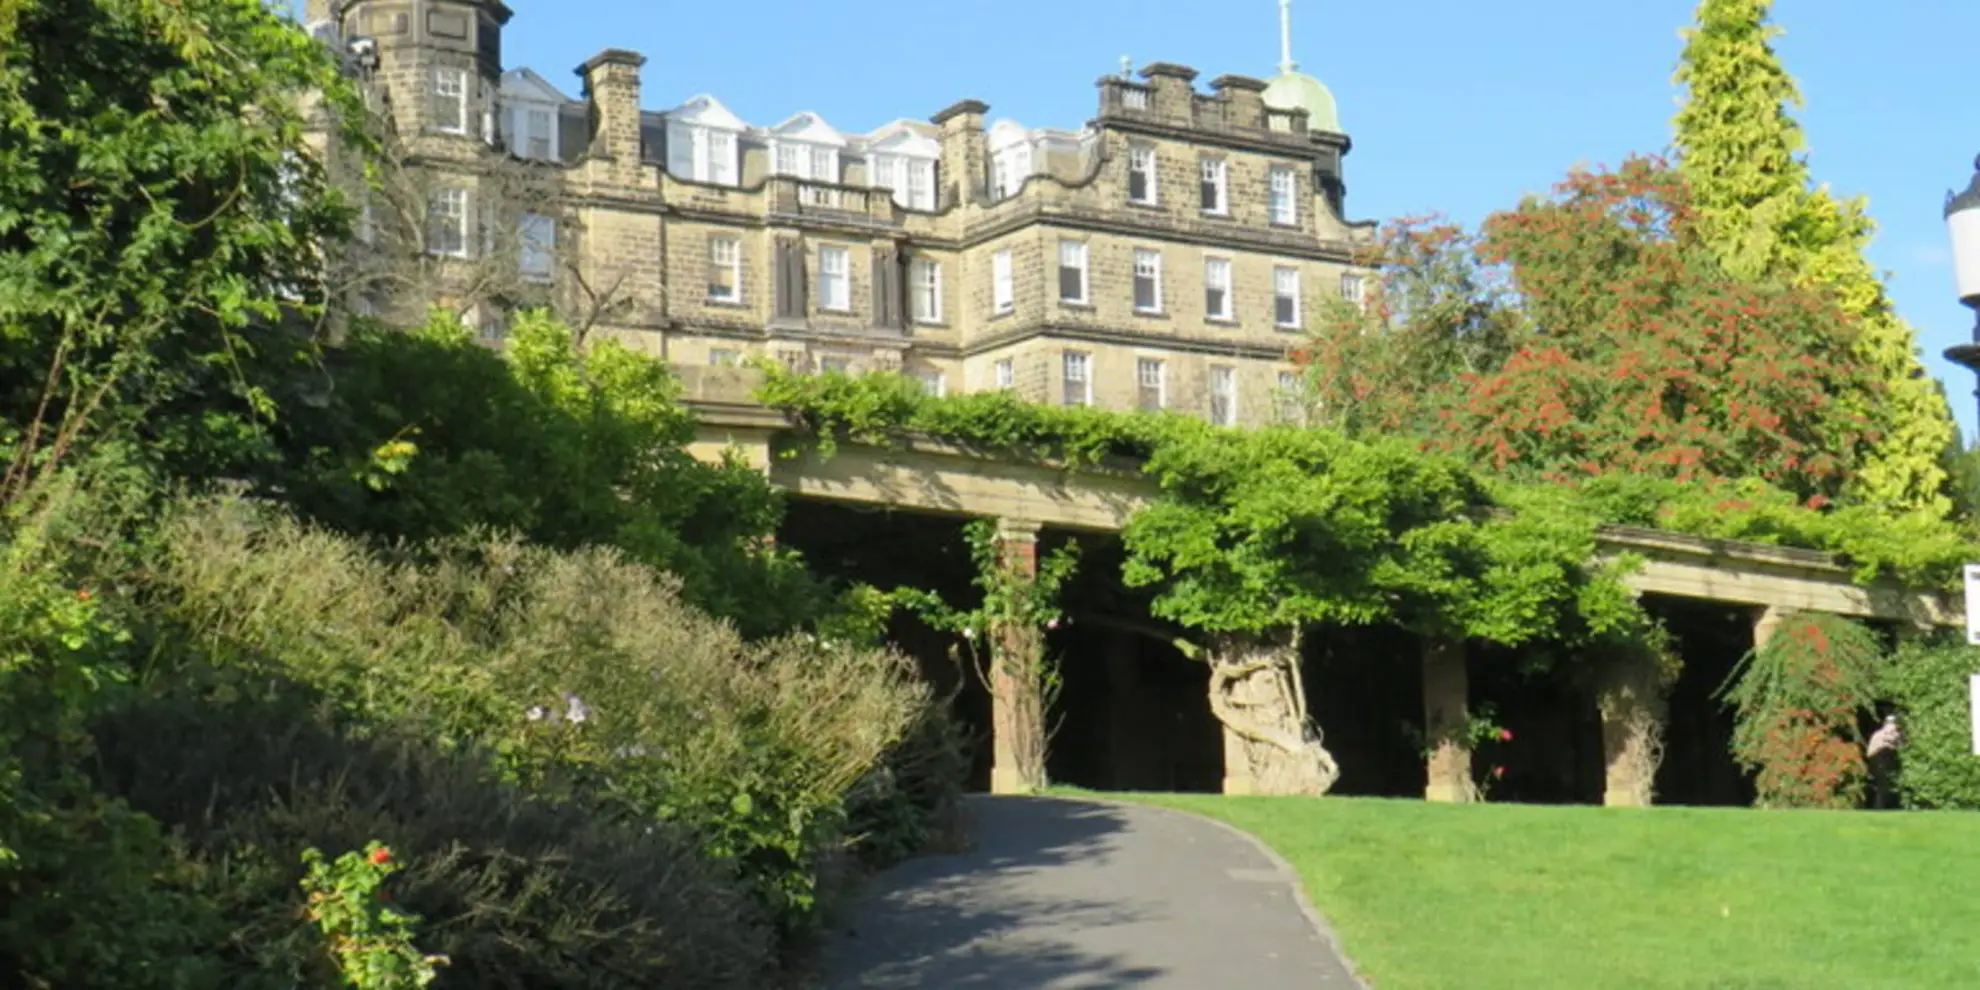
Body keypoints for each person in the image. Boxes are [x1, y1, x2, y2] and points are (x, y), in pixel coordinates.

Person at [1865, 714, 1905, 810]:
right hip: (1879, 762)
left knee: (1887, 786)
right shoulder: (1879, 735)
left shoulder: (1898, 737)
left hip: (1889, 764)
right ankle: (1880, 807)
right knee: (1882, 786)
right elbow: (1870, 752)